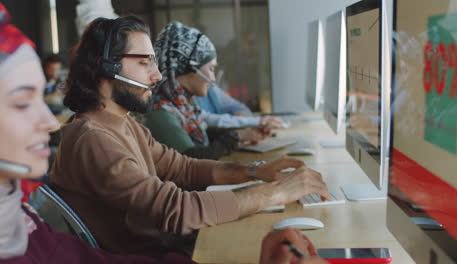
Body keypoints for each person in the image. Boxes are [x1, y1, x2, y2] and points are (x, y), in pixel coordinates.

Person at [0, 5, 326, 263]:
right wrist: (275, 194)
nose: (157, 76)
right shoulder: (93, 138)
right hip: (150, 255)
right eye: (144, 63)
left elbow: (182, 168)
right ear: (107, 67)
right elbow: (176, 210)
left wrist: (257, 171)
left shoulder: (123, 123)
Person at [144, 21, 283, 159]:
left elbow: (204, 132)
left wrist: (244, 134)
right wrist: (237, 136)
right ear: (190, 68)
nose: (213, 78)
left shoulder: (183, 104)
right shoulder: (160, 113)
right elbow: (191, 160)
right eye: (210, 69)